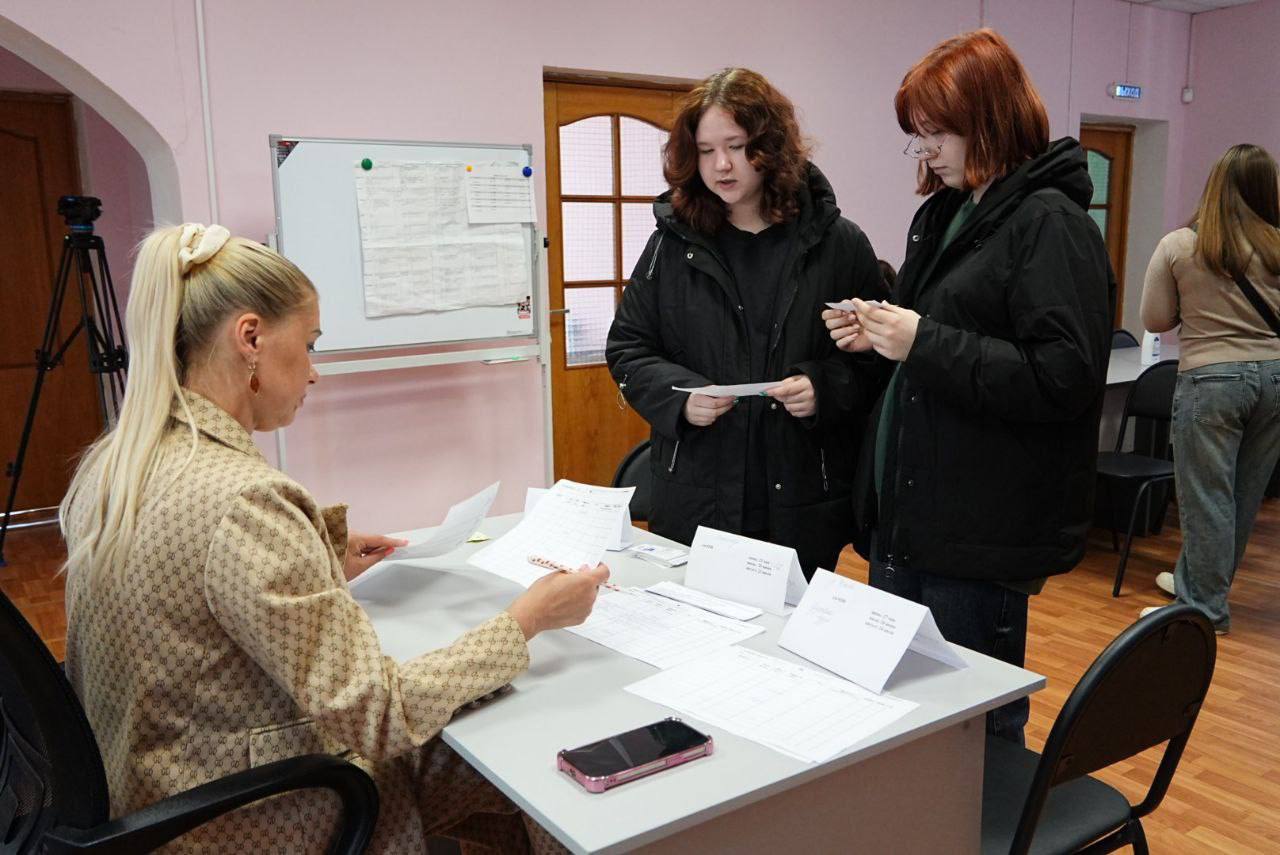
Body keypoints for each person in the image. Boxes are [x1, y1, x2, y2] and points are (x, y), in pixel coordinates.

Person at [61, 224, 606, 853]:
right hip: (245, 814)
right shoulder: (243, 500)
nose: (314, 372)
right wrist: (527, 621)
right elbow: (380, 714)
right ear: (250, 338)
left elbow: (191, 590)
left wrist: (317, 556)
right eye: (310, 344)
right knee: (527, 754)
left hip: (151, 790)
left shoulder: (116, 464)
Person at [823, 29, 1114, 743]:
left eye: (939, 133)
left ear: (990, 119)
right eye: (918, 136)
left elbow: (1065, 376)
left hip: (978, 532)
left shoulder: (1051, 224)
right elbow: (937, 344)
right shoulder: (946, 213)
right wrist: (880, 335)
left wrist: (922, 341)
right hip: (910, 520)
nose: (926, 151)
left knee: (971, 738)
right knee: (901, 724)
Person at [606, 67, 889, 577]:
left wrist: (823, 388)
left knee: (793, 625)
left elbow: (880, 363)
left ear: (770, 146)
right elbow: (628, 348)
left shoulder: (838, 244)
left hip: (802, 498)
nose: (721, 165)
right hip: (696, 494)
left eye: (736, 147)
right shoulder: (671, 244)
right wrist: (679, 398)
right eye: (706, 150)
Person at [1138, 143, 1280, 634]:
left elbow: (1155, 319)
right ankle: (1197, 588)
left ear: (1215, 186)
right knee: (1242, 496)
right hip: (1275, 380)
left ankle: (1203, 610)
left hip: (1212, 379)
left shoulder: (1181, 246)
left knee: (1206, 498)